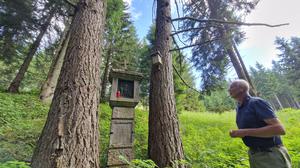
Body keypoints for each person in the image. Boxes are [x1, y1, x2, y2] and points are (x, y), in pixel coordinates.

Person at [228, 79, 292, 168]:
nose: (229, 90)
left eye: (231, 87)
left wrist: (244, 132)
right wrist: (239, 133)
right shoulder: (239, 108)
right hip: (255, 155)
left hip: (270, 155)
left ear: (241, 89)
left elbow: (279, 129)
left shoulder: (256, 102)